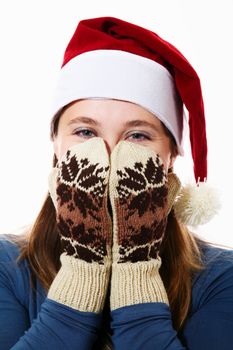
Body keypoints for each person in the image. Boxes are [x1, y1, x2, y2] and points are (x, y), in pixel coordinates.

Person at [0, 16, 233, 350]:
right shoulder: (6, 267)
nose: (108, 157)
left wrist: (136, 271)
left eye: (137, 135)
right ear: (57, 145)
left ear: (170, 156)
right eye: (85, 132)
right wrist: (83, 271)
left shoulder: (221, 277)